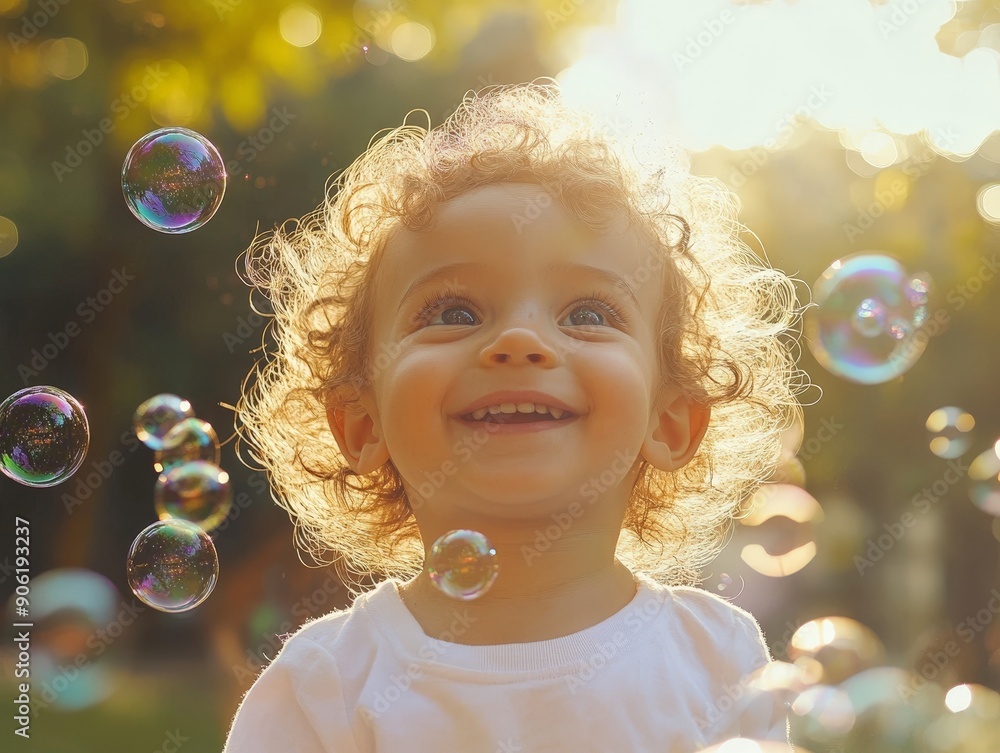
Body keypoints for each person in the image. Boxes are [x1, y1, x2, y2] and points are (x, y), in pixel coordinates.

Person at [223, 81, 805, 752]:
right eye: (454, 312)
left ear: (670, 420)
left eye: (588, 313)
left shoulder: (720, 662)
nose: (519, 341)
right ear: (363, 423)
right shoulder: (328, 687)